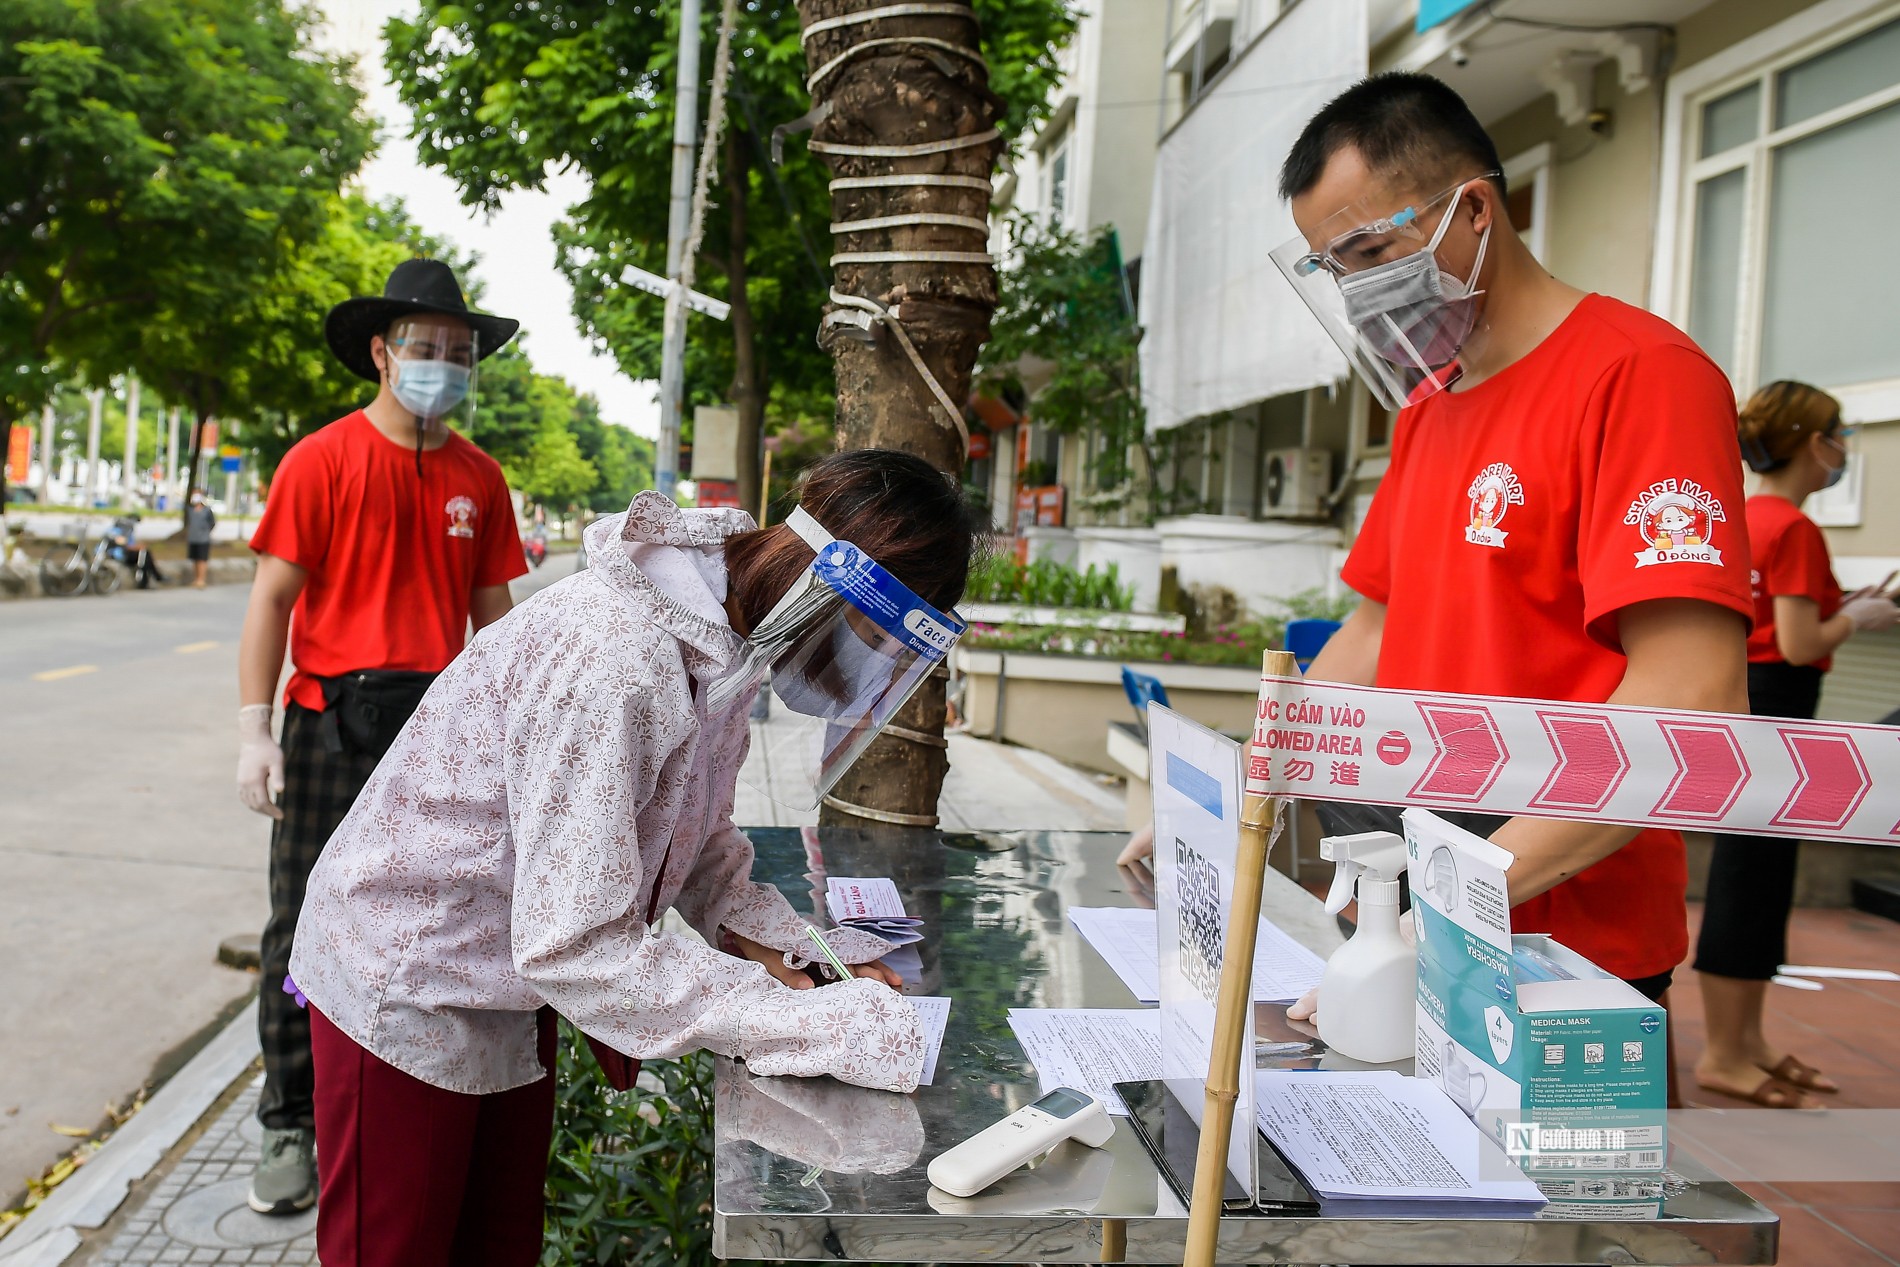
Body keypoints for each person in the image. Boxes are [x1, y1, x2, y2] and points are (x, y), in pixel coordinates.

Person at [287, 449, 975, 1265]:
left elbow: (699, 836)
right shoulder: (619, 659)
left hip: (502, 977)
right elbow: (577, 945)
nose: (861, 666)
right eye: (871, 637)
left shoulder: (724, 639)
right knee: (397, 1249)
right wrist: (800, 1021)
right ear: (833, 585)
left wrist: (796, 950)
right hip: (406, 975)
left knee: (498, 1243)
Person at [1271, 73, 1753, 1006]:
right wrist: (1244, 781)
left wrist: (1452, 906)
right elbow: (1372, 636)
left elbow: (1691, 694)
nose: (1363, 290)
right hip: (1415, 896)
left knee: (1547, 1160)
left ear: (1474, 209)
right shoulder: (1427, 407)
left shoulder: (1642, 377)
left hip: (1564, 936)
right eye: (1336, 269)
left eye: (1372, 249)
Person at [234, 258, 527, 1216]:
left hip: (437, 740)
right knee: (300, 922)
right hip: (326, 724)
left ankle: (408, 1094)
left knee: (429, 928)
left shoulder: (479, 478)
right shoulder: (319, 460)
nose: (442, 363)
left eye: (458, 351)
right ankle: (289, 1118)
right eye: (423, 347)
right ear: (381, 352)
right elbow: (272, 600)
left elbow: (497, 623)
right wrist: (254, 731)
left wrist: (518, 740)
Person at [1693, 382, 1895, 1107]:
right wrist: (1862, 615)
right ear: (1817, 443)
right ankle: (1725, 1048)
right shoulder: (1797, 530)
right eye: (1838, 433)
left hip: (1743, 701)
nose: (1843, 448)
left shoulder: (1744, 516)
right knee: (1754, 877)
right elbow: (1802, 638)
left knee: (1751, 874)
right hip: (1781, 709)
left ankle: (1746, 1041)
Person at [185, 490, 215, 589]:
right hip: (193, 538)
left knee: (202, 559)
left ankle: (201, 580)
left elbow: (212, 523)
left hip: (203, 539)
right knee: (195, 559)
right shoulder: (190, 510)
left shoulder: (207, 510)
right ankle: (196, 578)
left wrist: (205, 531)